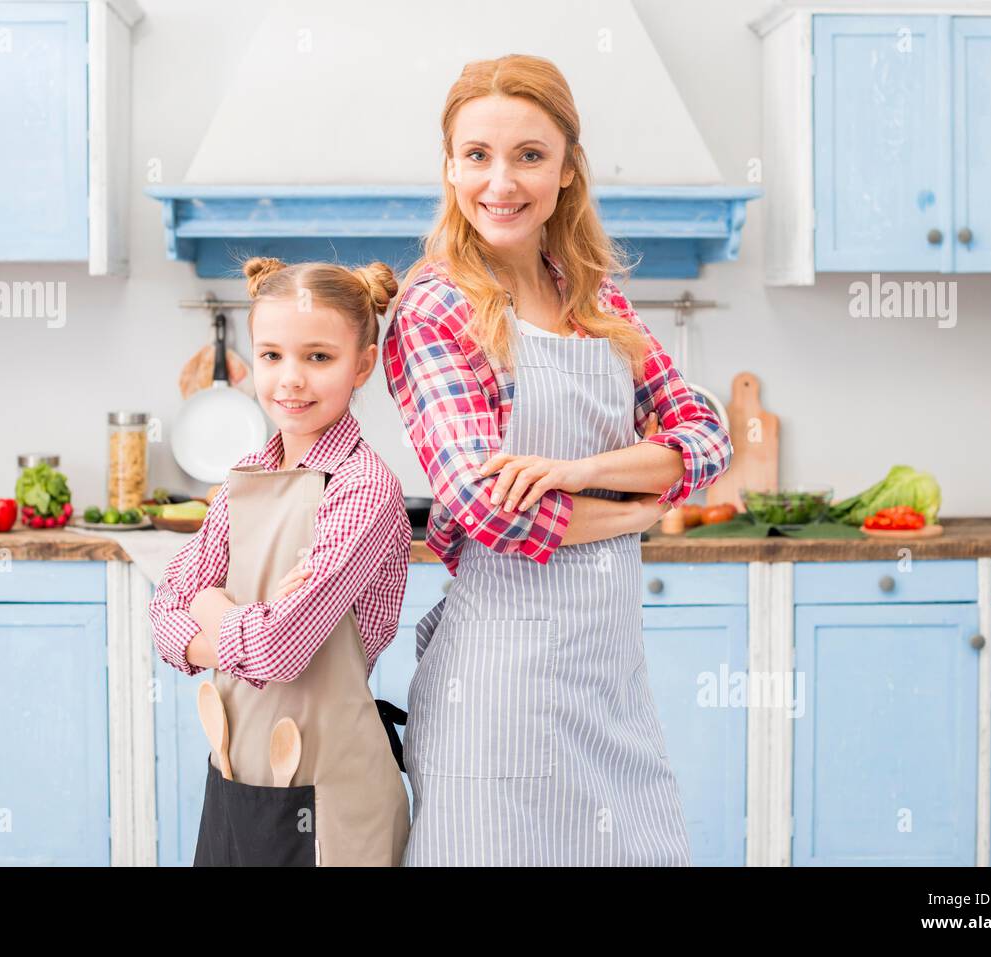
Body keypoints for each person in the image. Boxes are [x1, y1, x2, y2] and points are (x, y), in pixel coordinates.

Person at [382, 54, 733, 866]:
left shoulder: (594, 296)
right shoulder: (436, 306)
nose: (500, 182)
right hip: (499, 688)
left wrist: (576, 474)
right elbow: (486, 510)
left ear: (569, 169)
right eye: (477, 155)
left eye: (529, 155)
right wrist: (643, 504)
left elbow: (707, 437)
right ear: (450, 166)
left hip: (610, 679)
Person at [149, 257, 412, 866]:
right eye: (271, 356)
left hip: (332, 799)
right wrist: (244, 619)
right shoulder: (248, 479)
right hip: (241, 779)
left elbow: (279, 653)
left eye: (318, 357)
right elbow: (163, 607)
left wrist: (209, 604)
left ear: (362, 365)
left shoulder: (362, 489)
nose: (290, 379)